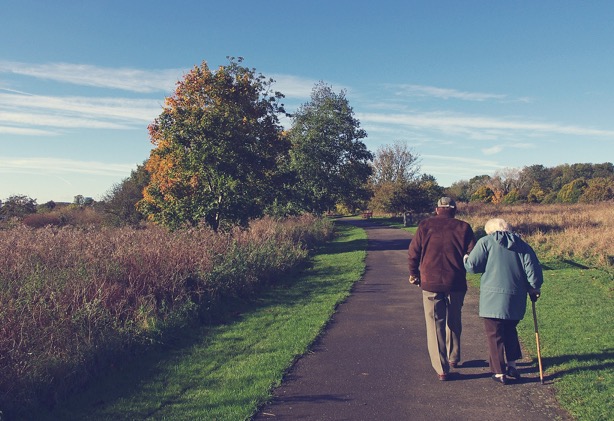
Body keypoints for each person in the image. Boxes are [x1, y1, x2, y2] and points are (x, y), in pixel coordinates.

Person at [464, 218, 543, 385]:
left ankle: (499, 372)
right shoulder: (522, 245)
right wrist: (534, 288)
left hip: (492, 298)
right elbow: (533, 272)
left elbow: (472, 266)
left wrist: (465, 258)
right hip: (516, 297)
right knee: (510, 330)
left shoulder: (486, 242)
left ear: (490, 231)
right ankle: (512, 364)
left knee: (495, 334)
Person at [407, 197, 476, 381]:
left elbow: (413, 252)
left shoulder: (425, 226)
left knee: (434, 324)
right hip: (456, 282)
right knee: (454, 319)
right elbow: (472, 254)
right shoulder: (464, 227)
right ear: (454, 209)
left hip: (430, 282)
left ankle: (442, 368)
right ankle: (453, 357)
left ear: (437, 209)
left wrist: (414, 273)